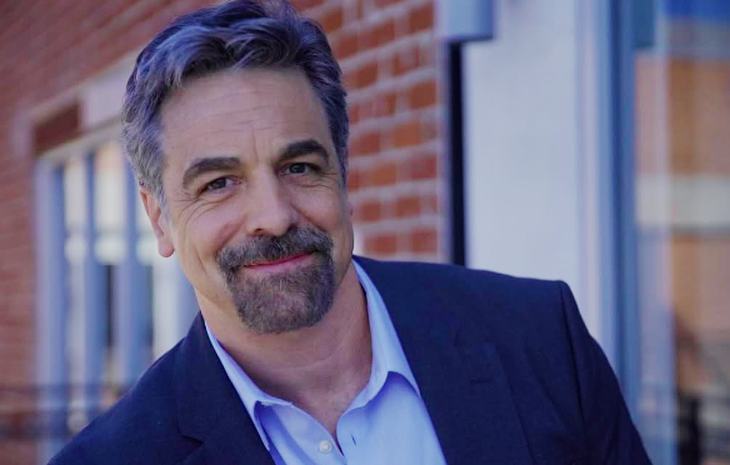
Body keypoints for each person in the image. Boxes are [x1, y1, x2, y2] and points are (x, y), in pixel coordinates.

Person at [50, 1, 651, 464]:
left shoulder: (539, 339)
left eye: (299, 167)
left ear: (342, 170)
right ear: (158, 217)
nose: (275, 216)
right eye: (219, 183)